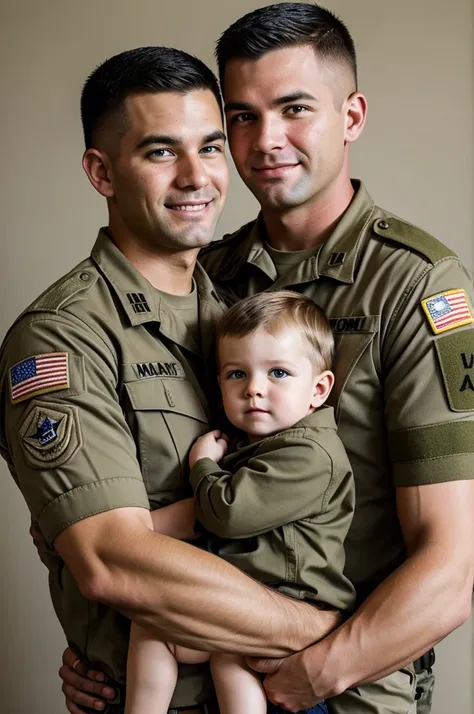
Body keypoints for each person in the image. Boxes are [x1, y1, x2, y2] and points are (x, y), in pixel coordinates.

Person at [33, 6, 474, 711]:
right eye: (242, 116)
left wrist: (319, 662)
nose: (266, 141)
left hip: (346, 687)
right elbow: (101, 522)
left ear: (351, 117)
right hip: (205, 670)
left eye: (295, 108)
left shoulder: (416, 283)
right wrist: (108, 638)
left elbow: (452, 567)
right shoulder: (209, 274)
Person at [0, 45, 344, 714]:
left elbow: (317, 478)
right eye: (161, 152)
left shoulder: (244, 318)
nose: (197, 177)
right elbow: (112, 562)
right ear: (101, 172)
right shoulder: (63, 336)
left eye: (211, 147)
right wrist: (323, 633)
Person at [125, 290, 350, 714]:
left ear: (318, 389)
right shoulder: (259, 446)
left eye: (278, 373)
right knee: (155, 626)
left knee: (231, 659)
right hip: (249, 598)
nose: (254, 390)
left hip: (291, 605)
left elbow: (226, 513)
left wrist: (202, 467)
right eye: (236, 374)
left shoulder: (311, 454)